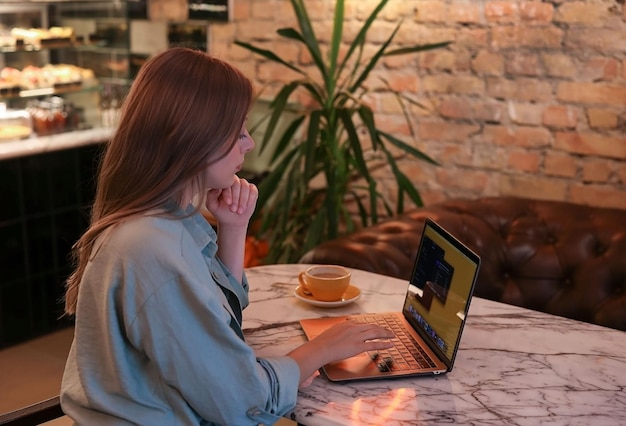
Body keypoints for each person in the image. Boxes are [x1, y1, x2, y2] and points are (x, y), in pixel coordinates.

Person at [60, 47, 394, 425]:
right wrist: (320, 350)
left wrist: (232, 230)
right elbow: (238, 401)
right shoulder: (150, 248)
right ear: (192, 139)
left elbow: (219, 326)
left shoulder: (169, 219)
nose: (248, 143)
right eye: (237, 132)